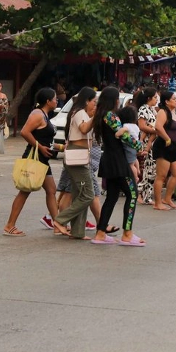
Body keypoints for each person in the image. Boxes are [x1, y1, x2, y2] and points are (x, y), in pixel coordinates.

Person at [91, 87, 145, 246]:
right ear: (115, 100)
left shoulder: (100, 115)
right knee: (133, 194)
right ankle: (127, 233)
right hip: (118, 161)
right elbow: (124, 136)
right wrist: (139, 146)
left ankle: (101, 232)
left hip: (108, 159)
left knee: (112, 197)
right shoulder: (111, 116)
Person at [6, 88, 60, 232]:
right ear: (48, 101)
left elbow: (44, 139)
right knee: (25, 191)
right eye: (55, 98)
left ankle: (58, 225)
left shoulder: (45, 115)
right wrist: (39, 147)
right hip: (34, 157)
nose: (57, 100)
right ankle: (9, 225)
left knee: (51, 190)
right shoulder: (38, 114)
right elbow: (24, 132)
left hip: (42, 159)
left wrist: (60, 147)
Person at [51, 90, 98, 240]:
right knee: (88, 195)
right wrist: (95, 116)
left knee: (79, 194)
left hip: (81, 156)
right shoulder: (79, 113)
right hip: (76, 156)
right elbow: (84, 129)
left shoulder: (84, 114)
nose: (95, 104)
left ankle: (78, 232)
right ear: (86, 101)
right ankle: (60, 220)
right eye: (93, 101)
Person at [152, 90, 176, 211]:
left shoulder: (173, 112)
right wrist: (167, 138)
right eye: (173, 99)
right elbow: (158, 126)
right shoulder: (163, 112)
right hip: (164, 146)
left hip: (174, 147)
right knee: (161, 176)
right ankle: (158, 203)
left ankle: (167, 198)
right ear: (167, 101)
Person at [136, 87, 159, 204]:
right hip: (146, 143)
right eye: (155, 97)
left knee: (152, 170)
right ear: (149, 98)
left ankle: (147, 196)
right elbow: (142, 126)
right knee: (148, 169)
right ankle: (138, 191)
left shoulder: (152, 110)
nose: (156, 100)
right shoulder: (143, 109)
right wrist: (155, 130)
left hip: (153, 142)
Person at [116, 105, 142, 182]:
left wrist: (117, 134)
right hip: (135, 147)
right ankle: (138, 169)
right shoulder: (136, 126)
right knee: (134, 160)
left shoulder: (126, 125)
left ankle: (135, 177)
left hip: (128, 147)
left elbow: (122, 130)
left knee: (130, 165)